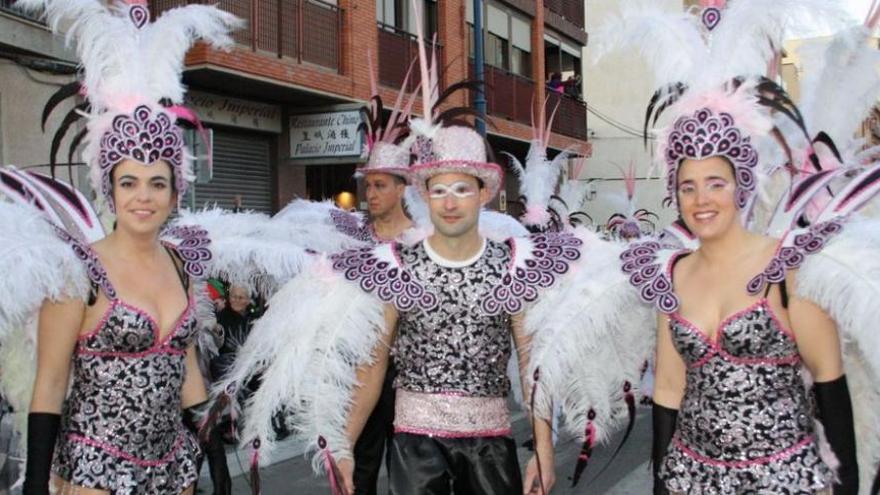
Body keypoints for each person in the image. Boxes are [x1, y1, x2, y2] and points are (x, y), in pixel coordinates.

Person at [8, 0, 240, 493]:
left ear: (176, 191)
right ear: (109, 190)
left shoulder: (180, 263)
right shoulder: (78, 271)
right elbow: (49, 385)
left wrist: (215, 462)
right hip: (96, 472)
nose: (143, 197)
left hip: (175, 469)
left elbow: (188, 373)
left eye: (157, 183)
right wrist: (34, 485)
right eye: (129, 182)